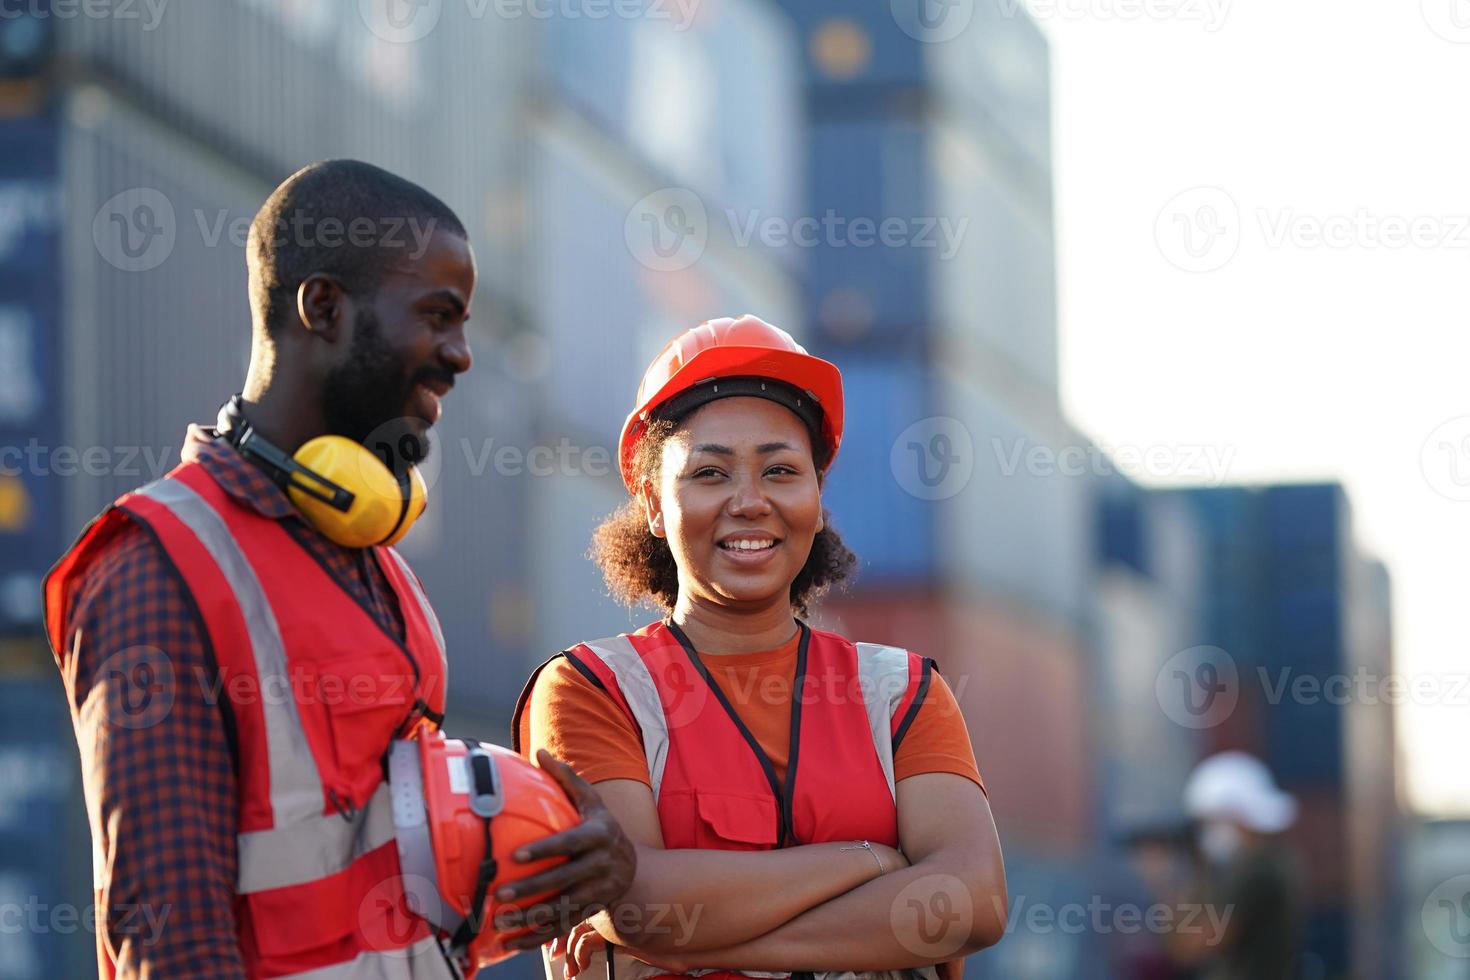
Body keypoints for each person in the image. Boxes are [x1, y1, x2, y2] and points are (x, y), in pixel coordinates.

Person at [44, 160, 635, 979]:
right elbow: (171, 944)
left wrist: (576, 862)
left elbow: (392, 894)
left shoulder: (379, 565)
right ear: (322, 308)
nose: (462, 357)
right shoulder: (158, 563)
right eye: (438, 316)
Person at [510, 316, 1007, 980]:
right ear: (655, 505)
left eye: (780, 470)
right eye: (710, 474)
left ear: (817, 499)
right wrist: (875, 862)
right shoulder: (593, 688)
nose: (749, 502)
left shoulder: (901, 693)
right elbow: (639, 903)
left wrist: (685, 945)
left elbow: (972, 902)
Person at [1139, 751, 1304, 980]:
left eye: (1211, 821)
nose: (1208, 833)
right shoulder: (1258, 866)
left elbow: (1190, 947)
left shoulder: (1257, 871)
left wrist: (1164, 884)